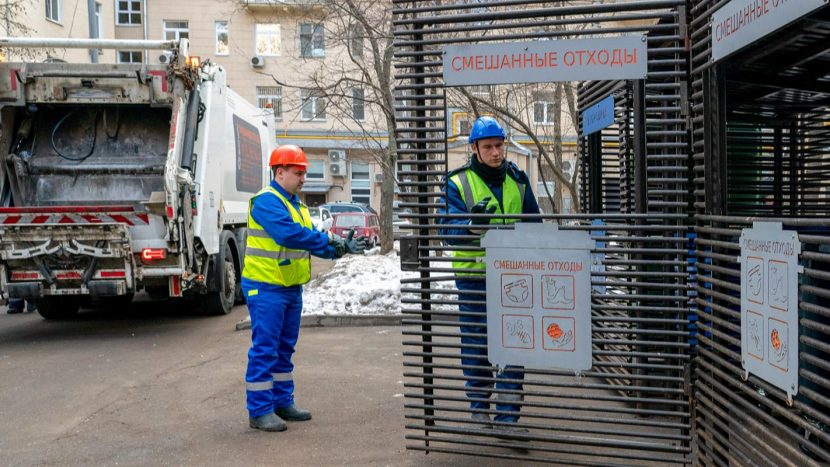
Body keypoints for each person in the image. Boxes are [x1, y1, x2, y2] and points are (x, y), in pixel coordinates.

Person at [242, 144, 366, 432]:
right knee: (265, 349)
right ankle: (259, 410)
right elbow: (290, 235)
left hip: (288, 287)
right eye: (298, 173)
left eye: (303, 173)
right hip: (266, 286)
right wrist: (329, 243)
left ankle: (282, 402)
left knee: (284, 349)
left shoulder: (294, 204)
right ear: (279, 171)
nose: (303, 179)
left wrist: (339, 249)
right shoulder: (266, 201)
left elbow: (307, 237)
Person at [439, 116, 541, 432]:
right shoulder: (456, 183)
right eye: (489, 147)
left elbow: (533, 226)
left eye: (500, 145)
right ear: (475, 148)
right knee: (477, 345)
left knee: (514, 344)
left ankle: (508, 417)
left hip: (513, 278)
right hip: (474, 278)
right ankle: (479, 411)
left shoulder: (519, 180)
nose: (496, 153)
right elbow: (446, 229)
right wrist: (472, 225)